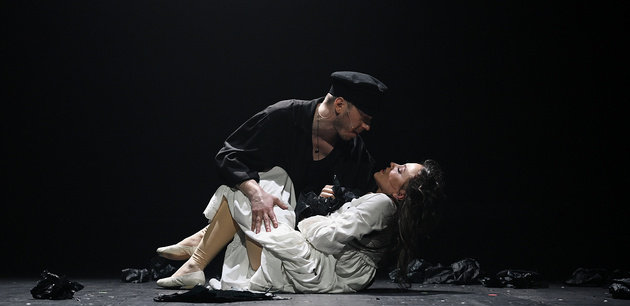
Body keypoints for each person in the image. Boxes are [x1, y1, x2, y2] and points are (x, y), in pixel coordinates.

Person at [155, 159, 445, 293]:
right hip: (308, 267)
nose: (392, 164)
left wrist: (312, 219)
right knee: (277, 176)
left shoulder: (382, 204)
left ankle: (196, 260)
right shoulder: (381, 205)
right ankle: (202, 242)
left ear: (401, 194)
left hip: (303, 268)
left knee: (248, 192)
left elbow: (325, 238)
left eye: (400, 170)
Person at [214, 71, 388, 234]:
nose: (367, 127)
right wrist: (256, 193)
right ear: (339, 104)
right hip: (257, 221)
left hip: (302, 239)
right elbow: (229, 156)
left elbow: (365, 201)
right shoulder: (284, 117)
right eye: (364, 118)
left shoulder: (356, 153)